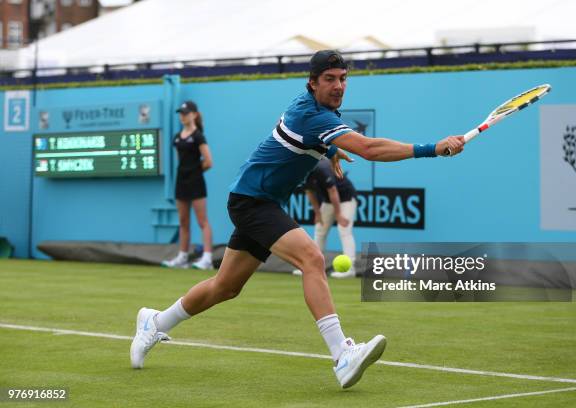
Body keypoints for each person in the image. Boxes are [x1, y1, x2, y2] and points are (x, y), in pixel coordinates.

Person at [131, 50, 465, 389]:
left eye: (343, 78)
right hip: (252, 202)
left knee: (225, 287)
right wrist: (433, 148)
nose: (339, 86)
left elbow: (319, 140)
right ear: (313, 83)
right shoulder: (313, 116)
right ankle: (342, 354)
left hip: (260, 201)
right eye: (330, 79)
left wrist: (331, 150)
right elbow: (370, 149)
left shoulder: (317, 110)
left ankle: (155, 322)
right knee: (312, 258)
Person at [161, 101, 214, 270]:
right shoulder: (177, 137)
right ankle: (182, 257)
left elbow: (208, 161)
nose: (182, 116)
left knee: (202, 221)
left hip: (196, 182)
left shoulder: (199, 136)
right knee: (183, 222)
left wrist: (194, 172)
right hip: (181, 182)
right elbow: (180, 160)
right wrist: (185, 173)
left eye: (186, 113)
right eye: (181, 113)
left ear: (194, 115)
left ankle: (207, 258)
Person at [292, 158, 358, 278]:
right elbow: (309, 192)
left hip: (346, 198)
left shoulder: (322, 168)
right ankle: (312, 266)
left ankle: (350, 269)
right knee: (320, 229)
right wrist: (317, 213)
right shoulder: (303, 170)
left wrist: (338, 214)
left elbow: (333, 191)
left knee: (344, 230)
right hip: (328, 200)